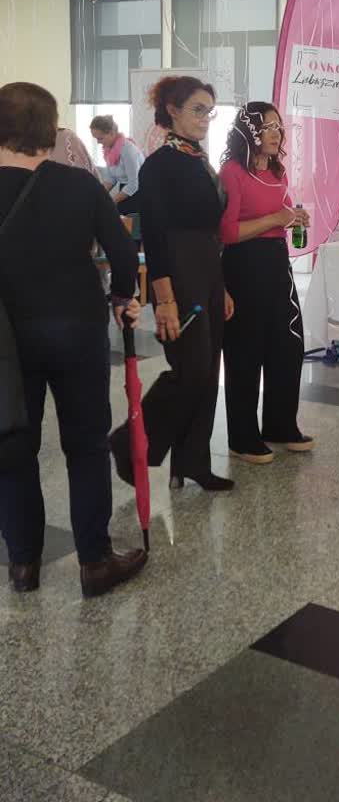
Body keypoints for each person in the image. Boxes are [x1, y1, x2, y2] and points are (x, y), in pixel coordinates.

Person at [0, 82, 147, 598]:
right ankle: (94, 561)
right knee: (85, 444)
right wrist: (123, 297)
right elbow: (123, 254)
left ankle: (23, 564)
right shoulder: (80, 185)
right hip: (77, 328)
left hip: (7, 340)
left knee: (13, 445)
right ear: (51, 129)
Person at [109, 76, 234, 492]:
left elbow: (210, 229)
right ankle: (128, 443)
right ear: (173, 110)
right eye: (198, 110)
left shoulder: (198, 158)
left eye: (210, 111)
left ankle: (192, 460)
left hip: (207, 269)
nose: (205, 118)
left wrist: (221, 286)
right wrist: (164, 299)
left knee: (208, 369)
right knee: (191, 370)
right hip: (178, 272)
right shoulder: (159, 164)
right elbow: (156, 235)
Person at [218, 102, 313, 463]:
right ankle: (242, 437)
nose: (277, 133)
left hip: (276, 263)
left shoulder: (276, 171)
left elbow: (281, 214)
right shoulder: (232, 172)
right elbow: (227, 232)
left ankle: (280, 424)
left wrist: (293, 218)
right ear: (250, 132)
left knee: (287, 345)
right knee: (246, 351)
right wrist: (276, 219)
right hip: (244, 266)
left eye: (278, 127)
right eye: (268, 127)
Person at [90, 115, 144, 219]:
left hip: (138, 193)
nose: (98, 142)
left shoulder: (128, 150)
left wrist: (111, 201)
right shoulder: (109, 151)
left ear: (111, 133)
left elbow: (134, 184)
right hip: (125, 190)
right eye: (96, 139)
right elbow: (111, 179)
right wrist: (98, 196)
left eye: (100, 138)